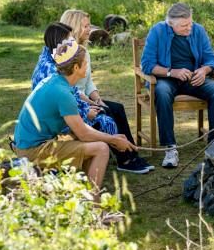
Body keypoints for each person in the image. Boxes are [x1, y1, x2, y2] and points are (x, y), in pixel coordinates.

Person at [13, 39, 137, 200]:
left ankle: (84, 197)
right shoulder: (63, 93)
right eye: (85, 63)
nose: (88, 66)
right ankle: (94, 204)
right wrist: (112, 140)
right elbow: (83, 133)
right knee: (101, 149)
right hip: (32, 150)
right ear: (76, 68)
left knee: (95, 143)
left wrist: (112, 138)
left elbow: (80, 127)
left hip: (29, 144)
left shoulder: (58, 82)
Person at [61, 10, 154, 174]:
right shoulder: (66, 54)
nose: (90, 29)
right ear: (74, 27)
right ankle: (124, 159)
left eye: (89, 25)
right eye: (85, 26)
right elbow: (71, 89)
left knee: (117, 108)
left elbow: (88, 82)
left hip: (86, 99)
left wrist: (98, 99)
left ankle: (132, 154)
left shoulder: (84, 51)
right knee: (108, 112)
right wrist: (94, 104)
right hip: (74, 102)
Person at [140, 2, 214, 168]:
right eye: (183, 26)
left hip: (193, 78)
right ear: (170, 23)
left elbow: (211, 58)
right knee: (162, 92)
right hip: (166, 78)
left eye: (190, 23)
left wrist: (204, 70)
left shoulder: (198, 30)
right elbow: (147, 65)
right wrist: (171, 72)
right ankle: (170, 148)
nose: (189, 28)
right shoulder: (157, 31)